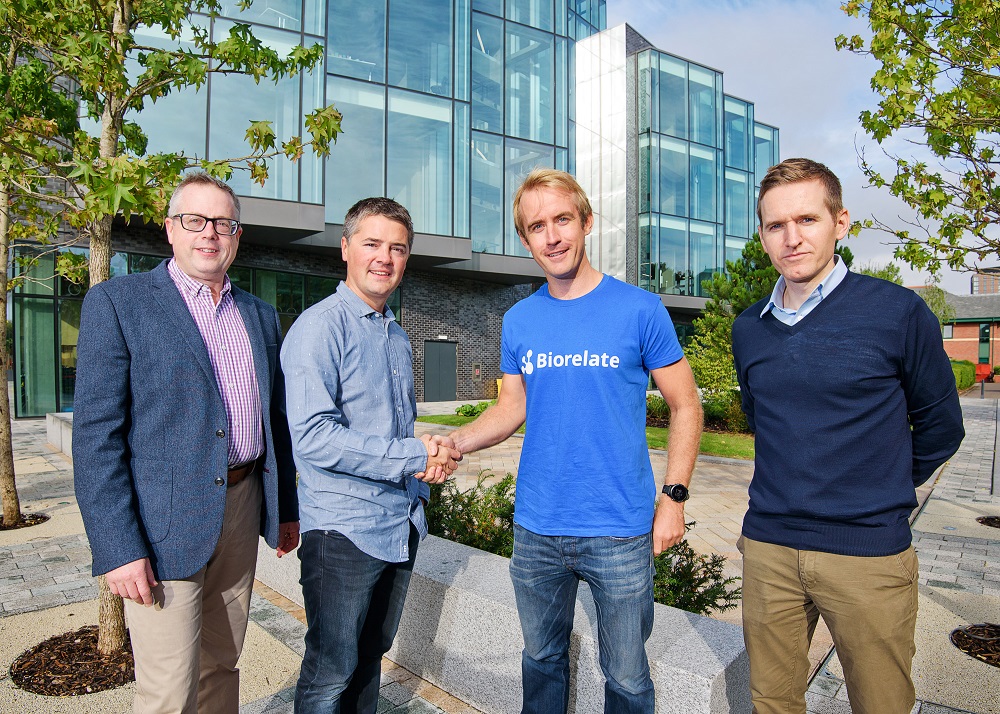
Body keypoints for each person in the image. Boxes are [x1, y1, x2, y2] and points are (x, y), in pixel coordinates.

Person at [442, 168, 703, 713]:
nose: (553, 236)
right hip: (537, 528)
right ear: (525, 239)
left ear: (585, 222)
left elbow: (686, 404)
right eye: (538, 226)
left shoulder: (640, 310)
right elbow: (511, 407)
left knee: (628, 678)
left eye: (562, 219)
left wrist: (673, 498)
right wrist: (454, 442)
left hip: (620, 530)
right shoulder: (518, 320)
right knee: (540, 659)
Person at [731, 157, 965, 714]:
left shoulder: (897, 313)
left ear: (841, 223)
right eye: (775, 225)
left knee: (881, 705)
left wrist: (876, 483)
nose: (791, 238)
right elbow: (760, 419)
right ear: (762, 234)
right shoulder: (749, 328)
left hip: (867, 554)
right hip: (769, 549)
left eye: (807, 220)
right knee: (771, 703)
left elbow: (942, 428)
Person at [73, 172, 300, 713]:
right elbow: (95, 437)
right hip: (162, 523)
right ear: (170, 229)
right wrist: (119, 548)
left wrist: (285, 509)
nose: (209, 233)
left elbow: (277, 419)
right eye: (195, 220)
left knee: (222, 664)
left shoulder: (260, 315)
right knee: (168, 688)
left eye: (223, 223)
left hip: (243, 507)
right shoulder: (116, 304)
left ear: (237, 235)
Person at [281, 197, 461, 713]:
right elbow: (314, 436)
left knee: (369, 659)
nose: (385, 257)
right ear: (345, 248)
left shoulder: (396, 336)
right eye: (372, 244)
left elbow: (390, 432)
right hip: (343, 532)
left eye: (397, 248)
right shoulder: (320, 328)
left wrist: (430, 459)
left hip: (398, 524)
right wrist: (411, 454)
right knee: (330, 671)